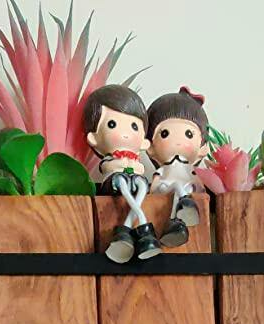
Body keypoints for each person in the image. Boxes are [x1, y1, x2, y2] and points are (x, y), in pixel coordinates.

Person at [85, 83, 161, 263]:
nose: (126, 133)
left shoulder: (135, 159)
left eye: (134, 126)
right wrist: (124, 165)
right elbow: (107, 168)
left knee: (142, 186)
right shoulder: (111, 159)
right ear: (93, 137)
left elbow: (140, 170)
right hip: (115, 181)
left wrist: (131, 166)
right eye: (112, 124)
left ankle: (125, 231)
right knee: (123, 185)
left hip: (135, 178)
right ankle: (144, 229)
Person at [146, 87, 209, 248]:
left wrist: (201, 190)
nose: (178, 142)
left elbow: (197, 182)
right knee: (175, 187)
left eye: (189, 134)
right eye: (165, 134)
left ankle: (176, 222)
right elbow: (156, 182)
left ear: (202, 148)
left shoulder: (190, 170)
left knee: (179, 188)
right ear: (150, 146)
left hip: (188, 189)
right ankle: (181, 214)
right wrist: (152, 192)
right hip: (165, 189)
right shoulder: (163, 170)